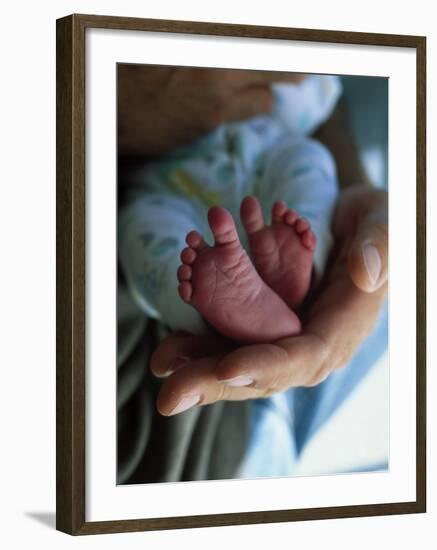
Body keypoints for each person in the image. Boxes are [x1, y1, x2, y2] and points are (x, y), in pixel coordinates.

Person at [117, 66, 388, 483]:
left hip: (261, 166)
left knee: (309, 161)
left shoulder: (294, 72)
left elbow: (319, 101)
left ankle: (299, 272)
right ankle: (212, 310)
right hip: (163, 177)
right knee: (140, 225)